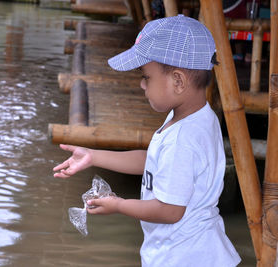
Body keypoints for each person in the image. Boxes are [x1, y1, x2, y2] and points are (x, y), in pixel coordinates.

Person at [53, 15, 241, 267]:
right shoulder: (193, 117)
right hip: (195, 251)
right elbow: (151, 160)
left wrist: (119, 205)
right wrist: (94, 155)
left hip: (184, 258)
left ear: (178, 81)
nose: (141, 84)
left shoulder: (183, 138)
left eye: (146, 77)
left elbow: (170, 210)